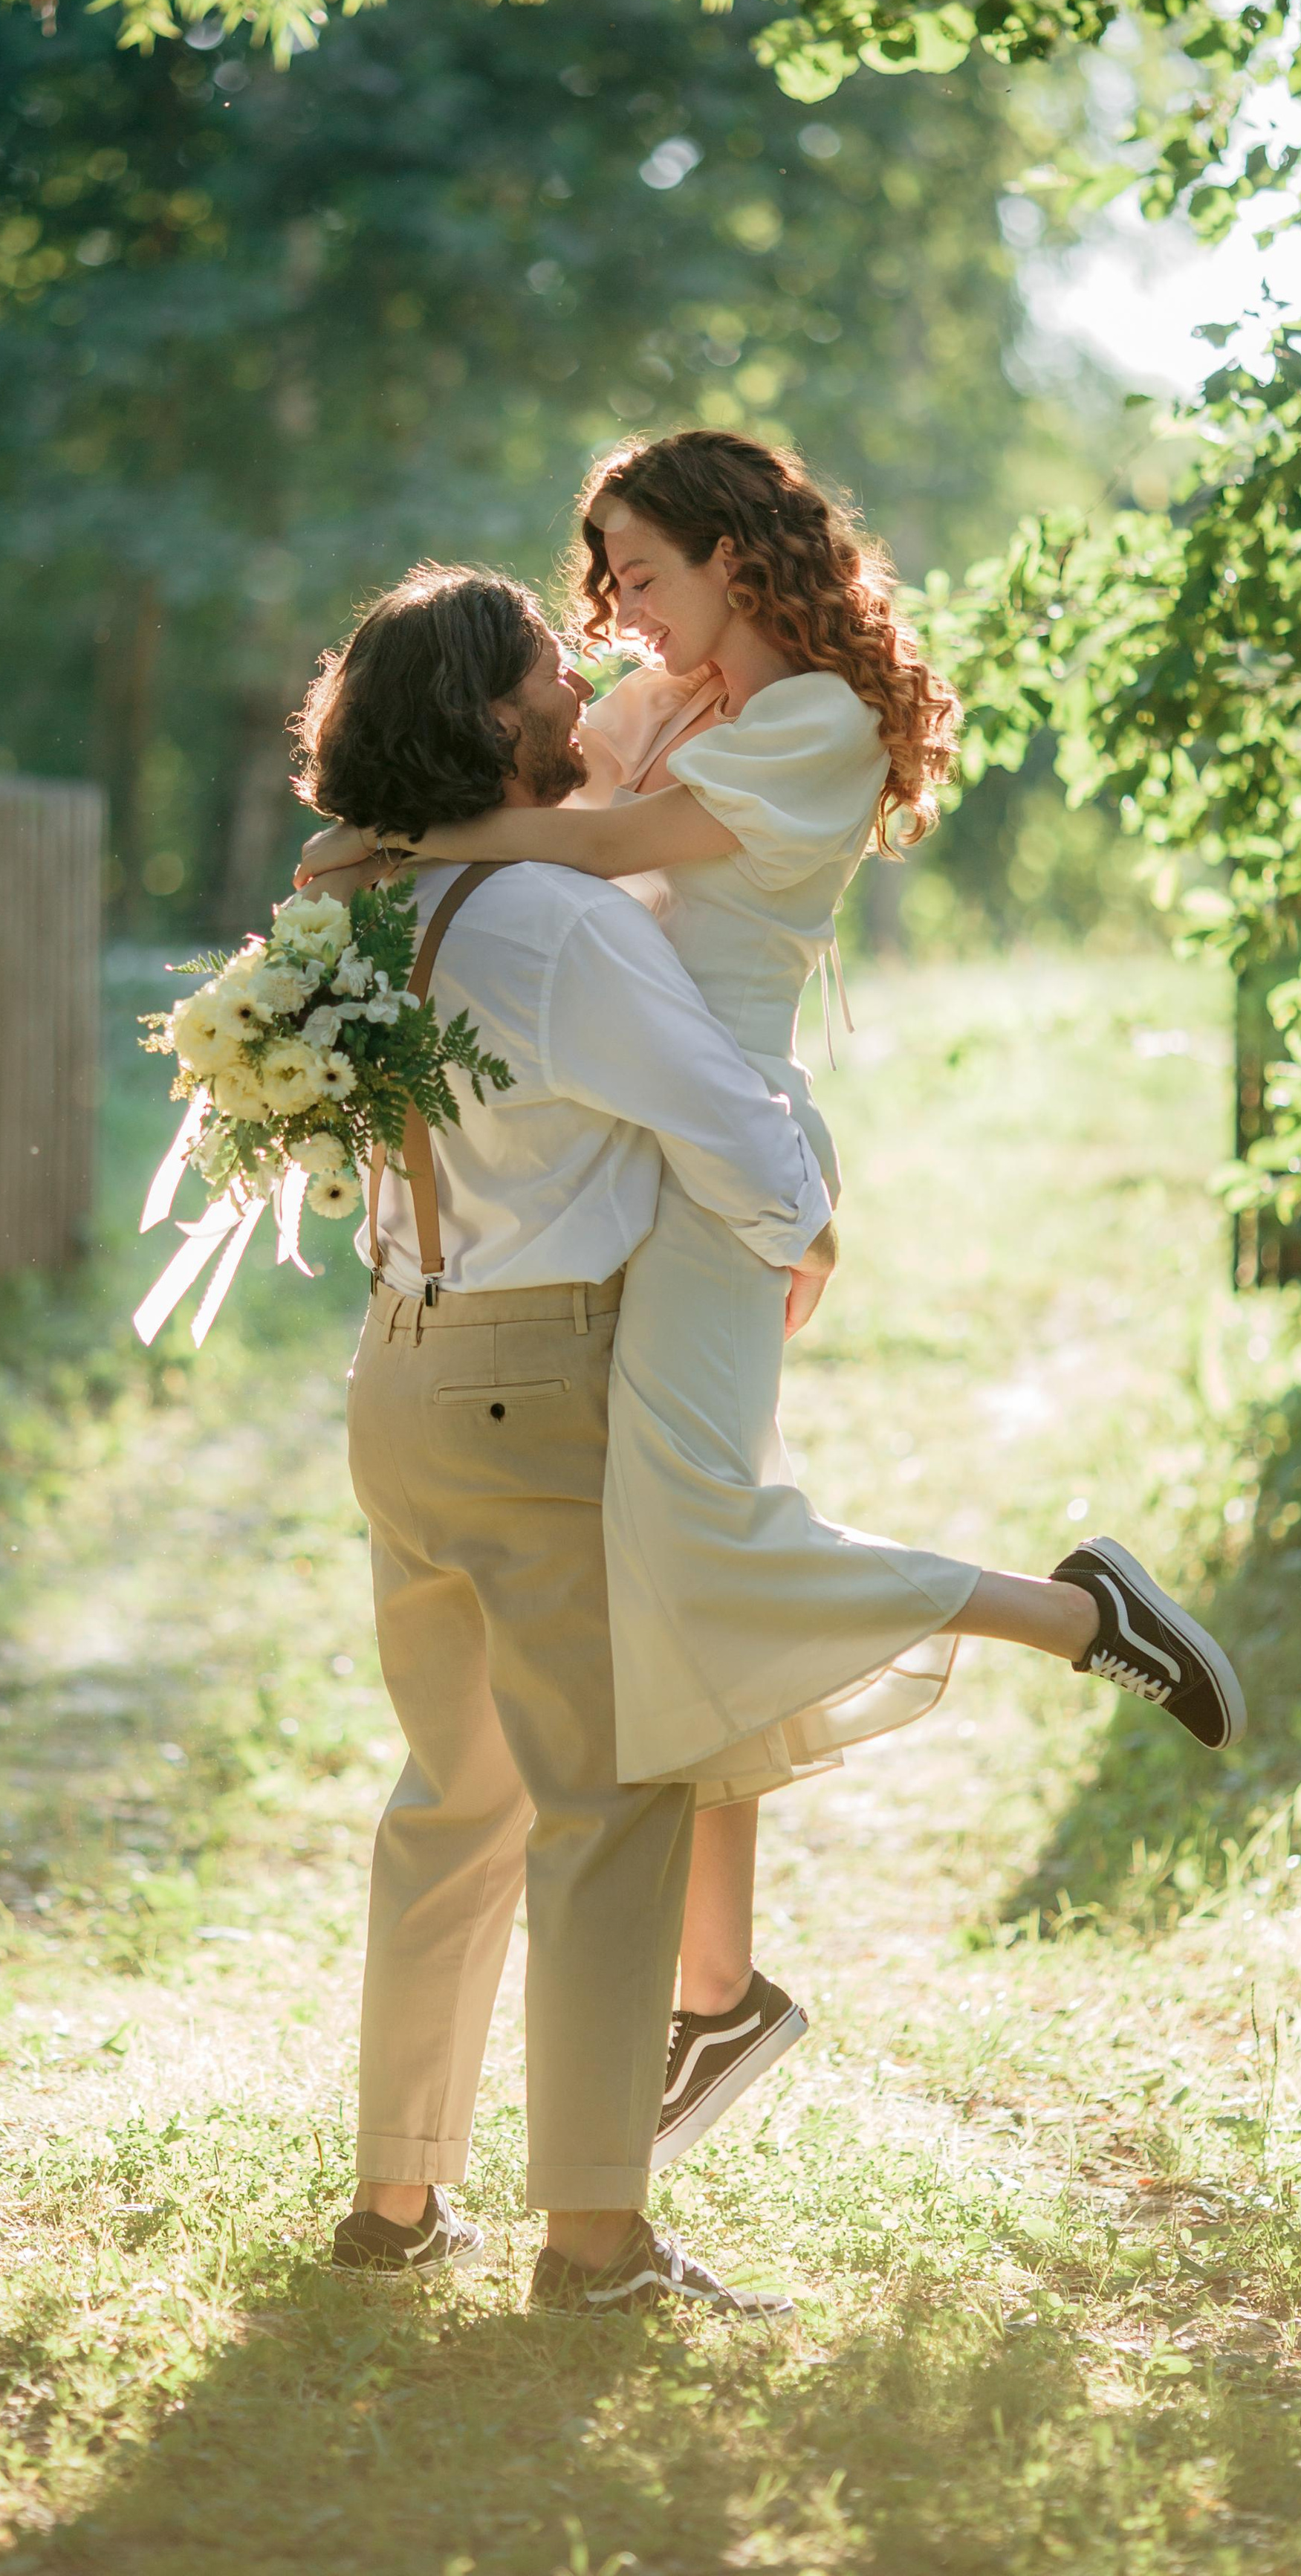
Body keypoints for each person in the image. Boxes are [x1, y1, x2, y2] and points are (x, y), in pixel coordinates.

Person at [299, 432, 1246, 2174]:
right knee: (674, 1562)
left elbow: (584, 854)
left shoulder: (811, 720)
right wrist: (415, 813)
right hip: (640, 1145)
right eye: (596, 584)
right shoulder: (663, 704)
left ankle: (1065, 1615)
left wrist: (398, 845)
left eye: (638, 574)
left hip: (719, 1145)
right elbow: (522, 765)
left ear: (740, 556)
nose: (612, 615)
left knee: (703, 1536)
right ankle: (717, 1985)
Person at [299, 563, 834, 2317]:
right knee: (607, 1806)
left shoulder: (366, 905)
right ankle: (595, 2241)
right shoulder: (562, 921)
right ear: (486, 720)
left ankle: (394, 2199)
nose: (580, 674)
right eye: (546, 665)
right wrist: (801, 1232)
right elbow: (723, 1125)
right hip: (542, 1385)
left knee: (450, 1796)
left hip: (399, 1370)